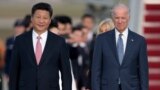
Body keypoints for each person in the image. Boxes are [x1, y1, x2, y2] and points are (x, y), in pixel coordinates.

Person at [9, 2, 72, 90]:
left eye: (45, 18)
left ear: (50, 20)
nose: (41, 21)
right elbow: (14, 72)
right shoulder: (20, 41)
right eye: (38, 17)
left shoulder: (59, 42)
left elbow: (66, 73)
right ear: (32, 18)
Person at [91, 3, 148, 90]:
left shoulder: (139, 41)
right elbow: (96, 69)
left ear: (128, 18)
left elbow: (143, 72)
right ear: (113, 18)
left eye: (123, 18)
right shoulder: (101, 39)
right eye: (117, 18)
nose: (120, 21)